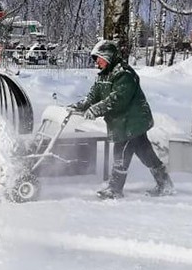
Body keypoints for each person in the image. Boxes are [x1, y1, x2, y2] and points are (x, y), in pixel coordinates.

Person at [68, 40, 174, 199]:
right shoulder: (104, 75)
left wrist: (96, 110)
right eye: (95, 58)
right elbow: (92, 96)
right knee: (146, 154)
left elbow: (117, 99)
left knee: (121, 154)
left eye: (99, 58)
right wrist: (79, 106)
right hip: (124, 122)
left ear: (108, 56)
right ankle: (165, 184)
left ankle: (115, 189)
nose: (97, 61)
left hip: (131, 121)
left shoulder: (124, 74)